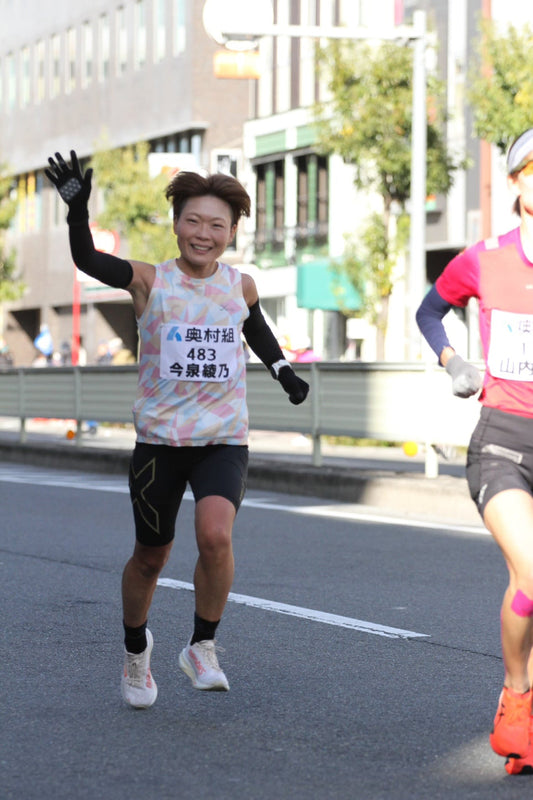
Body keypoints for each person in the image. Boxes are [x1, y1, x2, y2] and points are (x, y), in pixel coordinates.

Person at [45, 150, 309, 709]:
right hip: (160, 444)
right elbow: (91, 260)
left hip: (222, 438)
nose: (203, 233)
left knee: (216, 536)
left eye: (217, 224)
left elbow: (255, 328)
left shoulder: (242, 285)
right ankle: (137, 651)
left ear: (232, 231)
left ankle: (202, 646)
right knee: (151, 557)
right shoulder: (149, 280)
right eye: (193, 221)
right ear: (176, 224)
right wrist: (76, 213)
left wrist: (283, 370)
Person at [416, 128, 533, 775]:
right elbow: (429, 311)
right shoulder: (484, 259)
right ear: (515, 182)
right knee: (532, 573)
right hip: (504, 444)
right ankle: (515, 697)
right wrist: (452, 359)